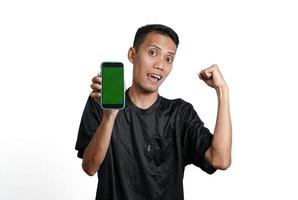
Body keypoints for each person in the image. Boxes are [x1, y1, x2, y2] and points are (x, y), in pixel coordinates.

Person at [75, 24, 232, 200]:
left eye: (169, 59)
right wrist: (109, 116)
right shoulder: (101, 104)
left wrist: (222, 91)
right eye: (152, 53)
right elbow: (89, 167)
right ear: (132, 55)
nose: (160, 65)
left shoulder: (179, 114)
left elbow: (220, 160)